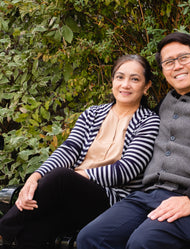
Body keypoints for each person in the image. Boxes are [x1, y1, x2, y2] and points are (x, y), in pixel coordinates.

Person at [77, 32, 190, 249]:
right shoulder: (166, 103)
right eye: (168, 62)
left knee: (143, 242)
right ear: (163, 71)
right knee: (91, 237)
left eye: (183, 58)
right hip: (146, 196)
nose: (176, 66)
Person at [0, 54, 160, 249]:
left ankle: (3, 229)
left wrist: (80, 175)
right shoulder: (93, 113)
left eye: (134, 79)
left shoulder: (149, 121)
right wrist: (36, 176)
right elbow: (69, 149)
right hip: (71, 194)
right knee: (33, 232)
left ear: (146, 87)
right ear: (112, 81)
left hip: (113, 200)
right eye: (120, 77)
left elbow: (127, 169)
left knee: (61, 177)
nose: (125, 84)